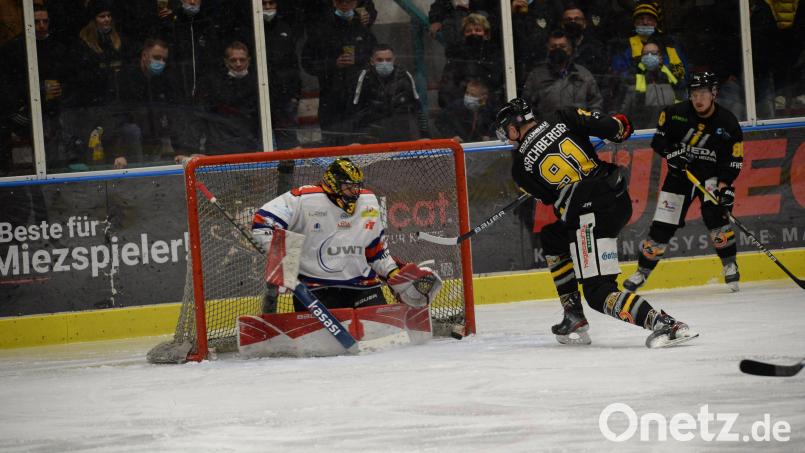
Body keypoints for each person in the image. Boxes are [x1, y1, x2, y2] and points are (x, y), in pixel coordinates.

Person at [494, 97, 697, 348]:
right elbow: (617, 128)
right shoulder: (563, 116)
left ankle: (665, 323)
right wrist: (620, 124)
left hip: (589, 214)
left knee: (598, 292)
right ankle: (573, 315)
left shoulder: (519, 170)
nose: (506, 135)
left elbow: (551, 198)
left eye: (506, 129)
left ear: (514, 127)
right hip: (616, 195)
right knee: (552, 237)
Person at [251, 157, 442, 313]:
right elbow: (262, 221)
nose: (355, 192)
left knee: (385, 338)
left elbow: (376, 251)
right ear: (333, 183)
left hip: (363, 286)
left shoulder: (368, 201)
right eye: (349, 186)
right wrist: (285, 257)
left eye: (357, 186)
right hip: (316, 289)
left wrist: (392, 273)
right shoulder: (304, 198)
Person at [623, 72, 744, 292]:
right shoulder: (675, 113)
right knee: (663, 224)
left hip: (711, 176)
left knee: (715, 217)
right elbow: (658, 141)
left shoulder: (728, 122)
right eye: (694, 94)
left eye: (703, 94)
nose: (698, 99)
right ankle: (642, 271)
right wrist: (671, 154)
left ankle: (729, 264)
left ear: (714, 94)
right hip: (681, 175)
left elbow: (733, 159)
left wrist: (725, 187)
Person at [301, 0, 377, 145]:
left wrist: (358, 60)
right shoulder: (320, 30)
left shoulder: (363, 30)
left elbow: (375, 57)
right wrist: (333, 64)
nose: (345, 5)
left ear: (355, 4)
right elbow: (307, 63)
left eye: (349, 2)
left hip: (360, 99)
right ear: (334, 3)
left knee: (360, 145)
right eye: (341, 2)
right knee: (332, 144)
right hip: (331, 98)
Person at [348, 44, 427, 143]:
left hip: (401, 135)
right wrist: (354, 140)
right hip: (371, 137)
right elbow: (354, 111)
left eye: (388, 60)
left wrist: (424, 135)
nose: (384, 63)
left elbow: (418, 107)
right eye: (380, 60)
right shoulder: (363, 78)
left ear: (394, 60)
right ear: (372, 61)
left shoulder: (405, 76)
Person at [521, 30, 603, 114]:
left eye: (562, 46)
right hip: (547, 125)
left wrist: (592, 122)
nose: (558, 49)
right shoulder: (536, 76)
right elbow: (526, 105)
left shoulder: (583, 74)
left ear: (570, 48)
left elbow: (595, 104)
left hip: (578, 125)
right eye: (553, 46)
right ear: (547, 48)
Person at [613, 36, 685, 129]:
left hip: (670, 130)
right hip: (641, 132)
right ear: (641, 56)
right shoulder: (631, 77)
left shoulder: (671, 76)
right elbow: (621, 108)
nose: (650, 56)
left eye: (654, 53)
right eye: (646, 53)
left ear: (660, 57)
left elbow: (681, 100)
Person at [437, 13, 503, 109]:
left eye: (478, 30)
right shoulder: (457, 57)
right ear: (464, 34)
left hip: (490, 108)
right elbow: (447, 90)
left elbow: (497, 82)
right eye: (469, 31)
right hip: (463, 109)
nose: (473, 33)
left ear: (486, 34)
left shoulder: (494, 56)